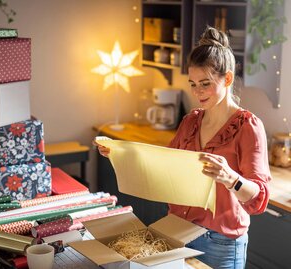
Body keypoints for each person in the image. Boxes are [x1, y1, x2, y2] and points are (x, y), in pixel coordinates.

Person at [94, 26, 271, 269]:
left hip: (220, 243)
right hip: (178, 231)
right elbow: (163, 168)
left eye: (205, 84)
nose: (197, 92)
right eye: (193, 84)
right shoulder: (191, 122)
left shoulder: (248, 126)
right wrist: (120, 154)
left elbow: (258, 199)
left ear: (227, 79)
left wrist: (231, 178)